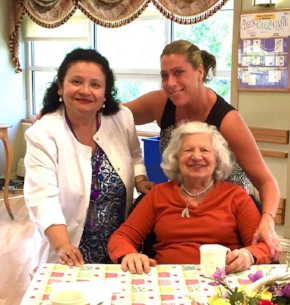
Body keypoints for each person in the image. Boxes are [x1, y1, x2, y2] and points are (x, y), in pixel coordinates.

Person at [124, 40, 281, 261]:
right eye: (164, 75)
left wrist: (267, 220)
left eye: (179, 73)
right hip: (184, 198)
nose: (170, 83)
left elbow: (266, 181)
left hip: (229, 212)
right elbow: (115, 117)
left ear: (199, 72)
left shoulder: (228, 121)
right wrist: (138, 176)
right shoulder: (161, 103)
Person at [24, 48, 154, 271]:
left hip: (117, 249)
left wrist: (140, 179)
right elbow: (42, 198)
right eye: (76, 81)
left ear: (105, 93)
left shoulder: (121, 118)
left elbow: (134, 154)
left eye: (95, 84)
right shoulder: (43, 133)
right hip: (69, 252)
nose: (85, 91)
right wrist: (63, 244)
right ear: (60, 86)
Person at [107, 121, 271, 275]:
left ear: (217, 159)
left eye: (205, 150)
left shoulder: (236, 196)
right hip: (166, 281)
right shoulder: (158, 195)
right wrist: (129, 254)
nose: (196, 156)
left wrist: (248, 255)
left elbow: (263, 246)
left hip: (222, 281)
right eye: (188, 150)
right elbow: (122, 237)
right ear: (176, 159)